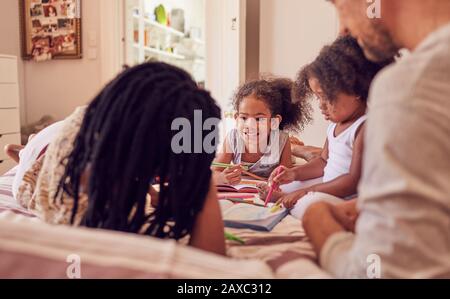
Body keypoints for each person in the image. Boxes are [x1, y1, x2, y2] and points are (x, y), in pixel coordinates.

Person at [303, 0, 450, 278]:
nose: (343, 29)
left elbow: (381, 273)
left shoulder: (411, 85)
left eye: (339, 4)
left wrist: (318, 220)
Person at [16, 62, 226, 256]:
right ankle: (26, 151)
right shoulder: (77, 192)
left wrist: (196, 171)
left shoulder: (111, 130)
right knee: (35, 155)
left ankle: (25, 149)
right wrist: (204, 183)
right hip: (50, 146)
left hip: (67, 133)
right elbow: (210, 263)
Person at [261, 36, 392, 220]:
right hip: (328, 187)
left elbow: (352, 182)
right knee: (288, 187)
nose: (321, 105)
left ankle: (288, 202)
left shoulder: (364, 127)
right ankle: (286, 198)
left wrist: (306, 192)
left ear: (355, 90)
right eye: (318, 97)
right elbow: (323, 161)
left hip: (348, 199)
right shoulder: (334, 125)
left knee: (310, 206)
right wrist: (293, 173)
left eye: (326, 97)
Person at [213, 77, 312, 185]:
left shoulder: (282, 140)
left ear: (274, 122)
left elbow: (285, 176)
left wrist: (276, 181)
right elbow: (214, 173)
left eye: (259, 119)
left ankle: (295, 147)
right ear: (236, 118)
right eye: (244, 118)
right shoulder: (233, 139)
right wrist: (222, 178)